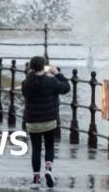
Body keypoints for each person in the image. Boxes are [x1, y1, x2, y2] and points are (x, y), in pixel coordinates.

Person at [21, 56, 70, 189]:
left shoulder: (27, 83)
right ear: (44, 67)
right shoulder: (51, 81)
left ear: (31, 68)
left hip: (33, 121)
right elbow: (66, 88)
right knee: (49, 146)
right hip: (49, 119)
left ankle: (36, 179)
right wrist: (57, 73)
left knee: (36, 149)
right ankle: (48, 169)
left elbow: (25, 91)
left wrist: (30, 74)